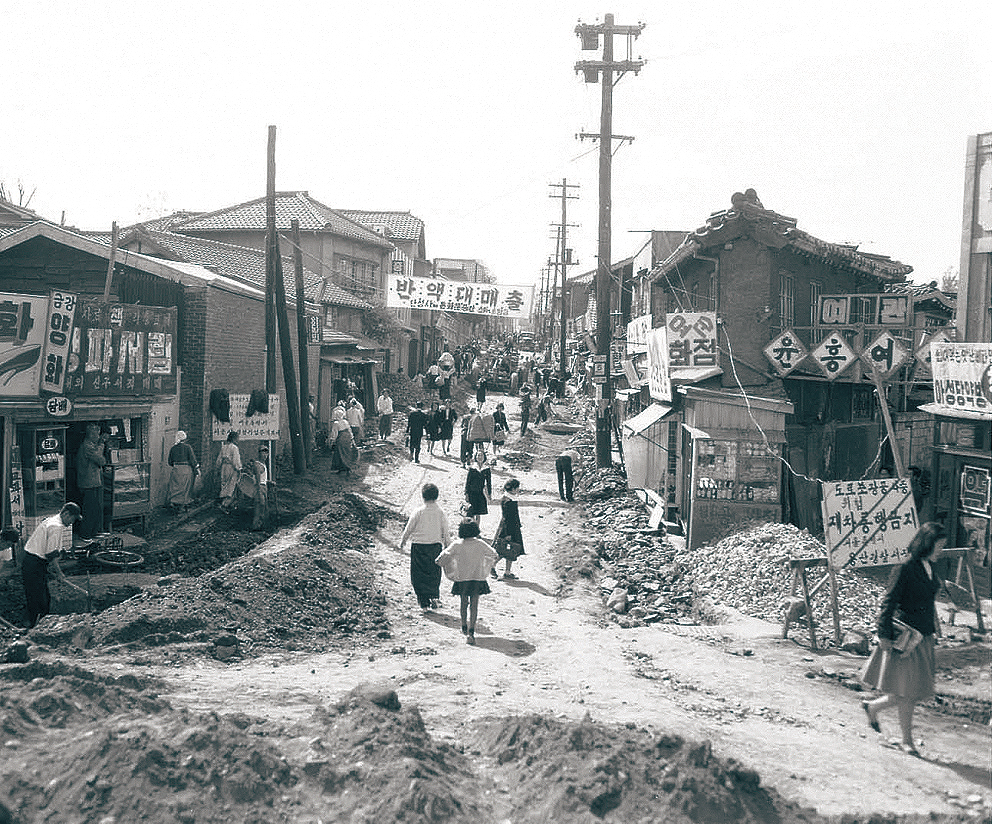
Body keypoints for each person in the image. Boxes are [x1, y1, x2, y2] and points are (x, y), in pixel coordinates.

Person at [860, 522, 947, 757]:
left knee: (912, 690)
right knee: (907, 692)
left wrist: (935, 631)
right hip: (905, 640)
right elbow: (889, 602)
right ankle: (907, 741)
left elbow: (928, 604)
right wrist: (883, 634)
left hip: (923, 638)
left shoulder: (929, 567)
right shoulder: (905, 567)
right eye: (938, 546)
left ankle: (873, 707)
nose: (941, 550)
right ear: (927, 544)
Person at [21, 502, 84, 627]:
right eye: (72, 518)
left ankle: (35, 623)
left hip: (33, 561)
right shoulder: (56, 526)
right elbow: (51, 555)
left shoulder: (52, 520)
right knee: (39, 599)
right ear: (66, 514)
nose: (72, 522)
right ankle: (35, 626)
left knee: (39, 596)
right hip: (34, 564)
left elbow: (52, 551)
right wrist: (59, 573)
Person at [436, 518, 498, 644]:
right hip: (477, 578)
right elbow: (494, 554)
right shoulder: (480, 544)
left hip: (462, 579)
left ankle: (464, 625)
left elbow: (442, 557)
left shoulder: (457, 544)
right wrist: (487, 565)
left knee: (463, 603)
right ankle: (471, 630)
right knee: (474, 605)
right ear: (476, 530)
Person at [399, 483, 451, 611]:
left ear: (423, 496)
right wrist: (448, 546)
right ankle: (433, 596)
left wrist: (403, 541)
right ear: (437, 496)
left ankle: (424, 603)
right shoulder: (440, 512)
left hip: (418, 547)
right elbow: (446, 531)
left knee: (418, 575)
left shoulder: (418, 511)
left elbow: (409, 528)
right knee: (433, 573)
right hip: (435, 547)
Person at [76, 422, 106, 538]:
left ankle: (93, 532)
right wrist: (101, 444)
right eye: (96, 434)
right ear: (91, 435)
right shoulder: (87, 446)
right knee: (90, 510)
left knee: (95, 509)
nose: (98, 436)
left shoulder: (91, 445)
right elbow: (100, 460)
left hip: (93, 482)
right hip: (88, 483)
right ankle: (86, 534)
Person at [492, 477, 526, 580]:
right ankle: (492, 565)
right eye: (517, 488)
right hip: (509, 528)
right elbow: (508, 518)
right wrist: (508, 533)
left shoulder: (508, 498)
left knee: (511, 550)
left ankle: (507, 571)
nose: (518, 489)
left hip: (512, 527)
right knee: (504, 549)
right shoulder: (509, 501)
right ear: (512, 489)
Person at [167, 431, 199, 512]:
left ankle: (174, 502)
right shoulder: (188, 447)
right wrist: (196, 468)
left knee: (175, 487)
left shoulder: (173, 448)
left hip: (176, 469)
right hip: (186, 469)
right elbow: (192, 460)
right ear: (185, 438)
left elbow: (170, 462)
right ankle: (182, 505)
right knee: (185, 488)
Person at [328, 407, 359, 477]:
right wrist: (352, 439)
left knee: (340, 453)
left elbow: (334, 433)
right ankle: (347, 468)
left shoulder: (336, 423)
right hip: (347, 438)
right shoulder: (345, 421)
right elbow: (350, 431)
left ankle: (342, 468)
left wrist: (332, 441)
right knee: (347, 453)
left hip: (341, 439)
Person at [216, 430, 242, 512]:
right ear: (234, 439)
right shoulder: (234, 448)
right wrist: (239, 468)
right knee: (231, 486)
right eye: (237, 438)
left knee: (224, 485)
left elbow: (219, 460)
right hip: (231, 468)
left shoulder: (223, 447)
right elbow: (235, 461)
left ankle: (228, 504)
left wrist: (218, 468)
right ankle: (224, 504)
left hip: (224, 468)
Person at [464, 450, 492, 523]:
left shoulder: (486, 469)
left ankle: (477, 530)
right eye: (478, 455)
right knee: (471, 513)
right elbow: (468, 482)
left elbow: (489, 482)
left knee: (478, 513)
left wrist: (489, 494)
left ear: (484, 457)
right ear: (476, 457)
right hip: (471, 493)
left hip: (480, 493)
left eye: (481, 455)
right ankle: (470, 529)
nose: (480, 457)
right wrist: (466, 493)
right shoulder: (472, 468)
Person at [251, 445, 271, 530]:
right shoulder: (257, 465)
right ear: (259, 453)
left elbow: (263, 478)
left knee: (264, 509)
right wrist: (259, 492)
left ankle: (262, 527)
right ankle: (255, 527)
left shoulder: (263, 464)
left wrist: (269, 482)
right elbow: (258, 480)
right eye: (263, 452)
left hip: (264, 487)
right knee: (259, 507)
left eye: (266, 453)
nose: (265, 455)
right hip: (259, 488)